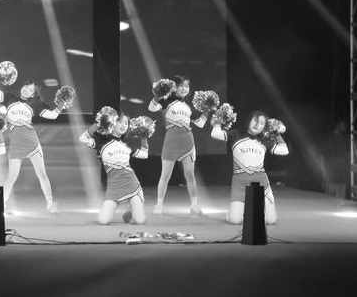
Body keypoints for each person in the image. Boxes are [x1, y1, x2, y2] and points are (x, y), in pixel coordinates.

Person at [0, 79, 62, 213]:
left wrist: (62, 104)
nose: (26, 90)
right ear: (22, 86)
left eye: (30, 90)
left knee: (41, 173)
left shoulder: (35, 104)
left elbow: (53, 115)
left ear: (32, 95)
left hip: (32, 142)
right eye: (26, 86)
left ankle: (50, 203)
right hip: (16, 143)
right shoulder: (9, 97)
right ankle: (2, 204)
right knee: (11, 177)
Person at [210, 111, 288, 225]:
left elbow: (284, 151)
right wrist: (218, 120)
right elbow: (215, 134)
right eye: (255, 120)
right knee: (235, 220)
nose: (257, 124)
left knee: (271, 220)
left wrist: (276, 132)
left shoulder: (264, 140)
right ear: (249, 120)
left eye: (261, 123)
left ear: (264, 127)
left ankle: (253, 207)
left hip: (261, 182)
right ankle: (235, 212)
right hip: (240, 183)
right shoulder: (235, 134)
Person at [148, 75, 207, 215]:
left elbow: (200, 123)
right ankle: (159, 205)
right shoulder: (166, 100)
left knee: (190, 175)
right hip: (171, 141)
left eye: (187, 86)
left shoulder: (188, 107)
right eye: (181, 86)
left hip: (188, 142)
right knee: (165, 175)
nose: (185, 89)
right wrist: (157, 96)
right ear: (174, 87)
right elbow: (151, 108)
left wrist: (207, 109)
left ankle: (194, 205)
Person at [80, 112, 149, 225]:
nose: (123, 125)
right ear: (113, 122)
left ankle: (130, 213)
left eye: (126, 123)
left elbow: (144, 154)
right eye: (120, 122)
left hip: (132, 184)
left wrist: (144, 136)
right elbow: (83, 138)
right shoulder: (101, 140)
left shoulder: (127, 144)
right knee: (103, 221)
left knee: (140, 220)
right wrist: (98, 123)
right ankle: (131, 208)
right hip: (114, 186)